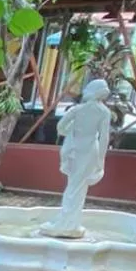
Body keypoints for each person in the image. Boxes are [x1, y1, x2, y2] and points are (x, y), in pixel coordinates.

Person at [44, 77, 113, 236]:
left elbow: (60, 128)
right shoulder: (104, 112)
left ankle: (67, 222)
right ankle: (69, 221)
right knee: (78, 187)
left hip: (75, 149)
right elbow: (104, 138)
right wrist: (101, 160)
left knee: (74, 185)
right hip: (90, 150)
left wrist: (72, 131)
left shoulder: (77, 110)